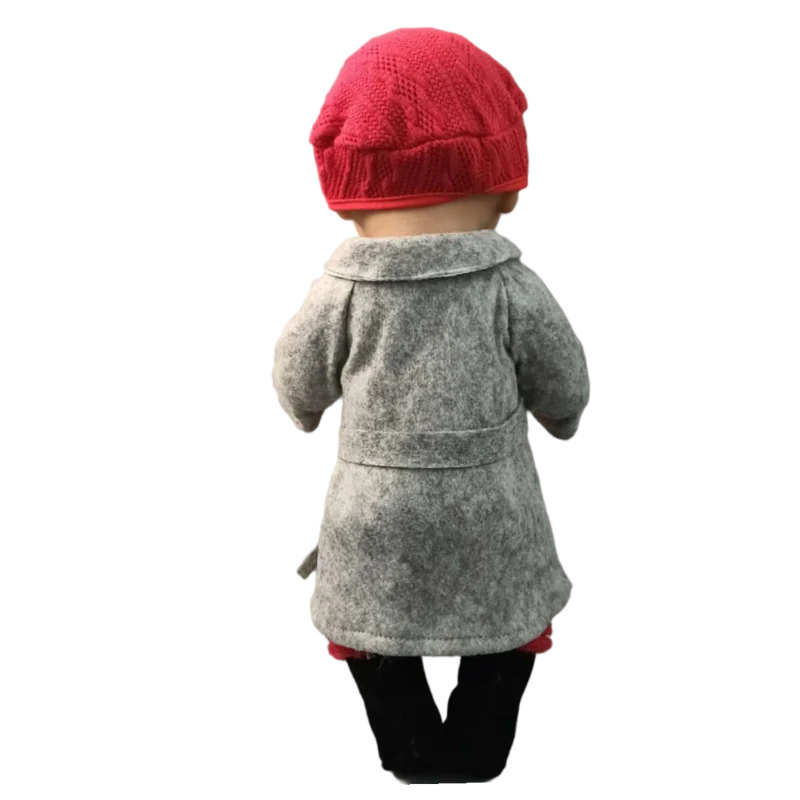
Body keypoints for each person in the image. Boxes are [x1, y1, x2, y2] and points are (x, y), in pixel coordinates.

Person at [273, 25, 589, 785]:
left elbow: (298, 376)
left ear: (345, 194)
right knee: (514, 622)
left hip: (374, 507)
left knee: (366, 628)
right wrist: (563, 419)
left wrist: (306, 414)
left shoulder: (340, 291)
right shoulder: (511, 286)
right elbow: (561, 375)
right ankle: (479, 744)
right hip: (490, 503)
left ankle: (407, 747)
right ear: (506, 185)